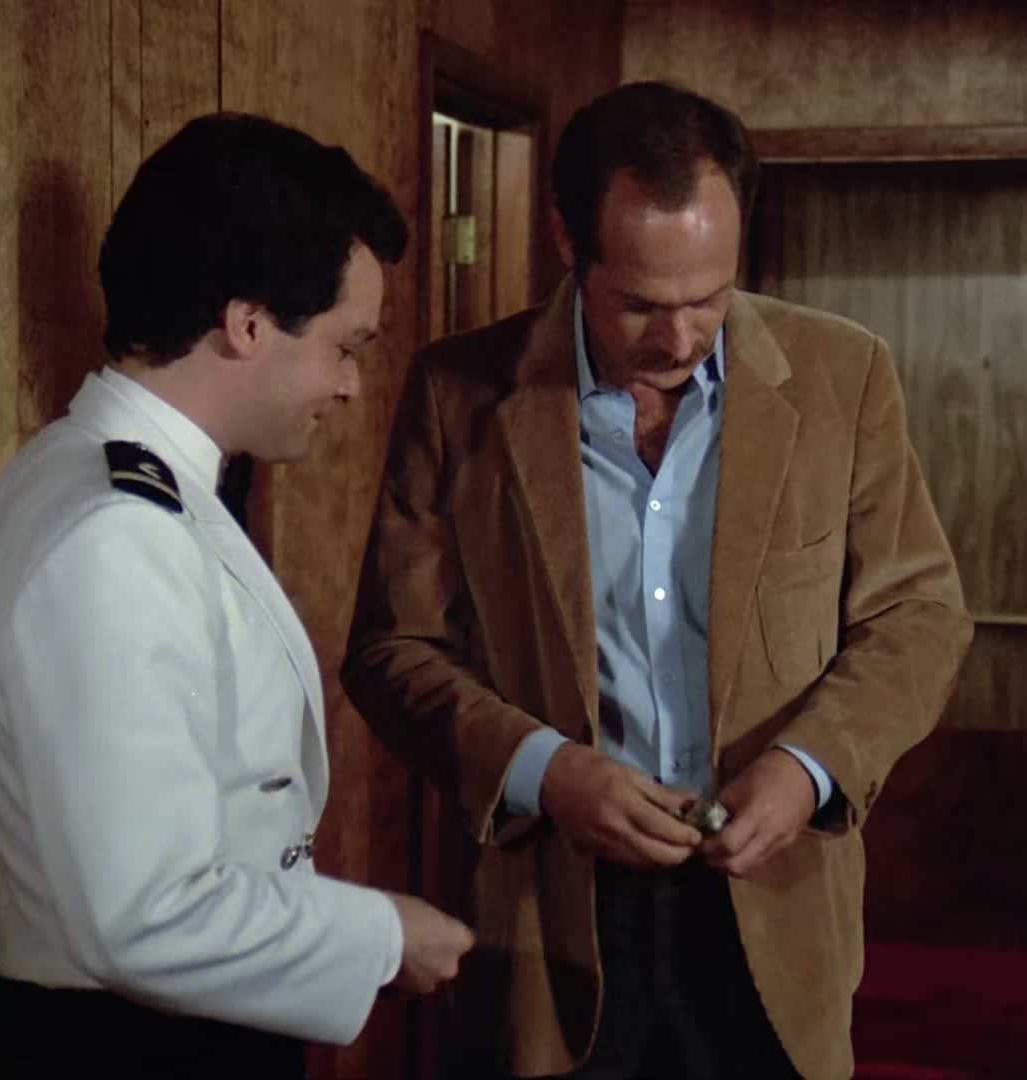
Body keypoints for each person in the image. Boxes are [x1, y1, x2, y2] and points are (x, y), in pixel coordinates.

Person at [342, 81, 972, 1080]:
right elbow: (392, 649)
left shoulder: (844, 375)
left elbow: (919, 616)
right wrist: (545, 770)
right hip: (553, 918)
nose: (678, 339)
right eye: (640, 303)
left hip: (777, 910)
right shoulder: (457, 391)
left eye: (708, 299)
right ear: (566, 239)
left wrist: (810, 765)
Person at [0, 111, 475, 1079]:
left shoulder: (102, 476)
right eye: (346, 346)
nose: (352, 387)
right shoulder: (117, 531)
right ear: (248, 325)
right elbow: (142, 910)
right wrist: (380, 937)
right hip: (124, 1051)